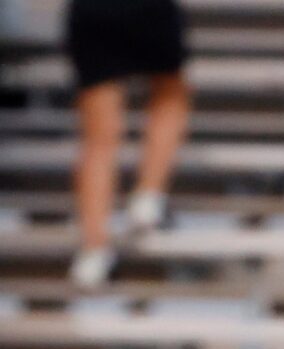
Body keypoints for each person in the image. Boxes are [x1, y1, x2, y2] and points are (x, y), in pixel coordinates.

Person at [64, 0, 192, 290]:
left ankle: (94, 248)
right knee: (170, 94)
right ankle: (148, 194)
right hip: (146, 8)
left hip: (92, 12)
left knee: (98, 137)